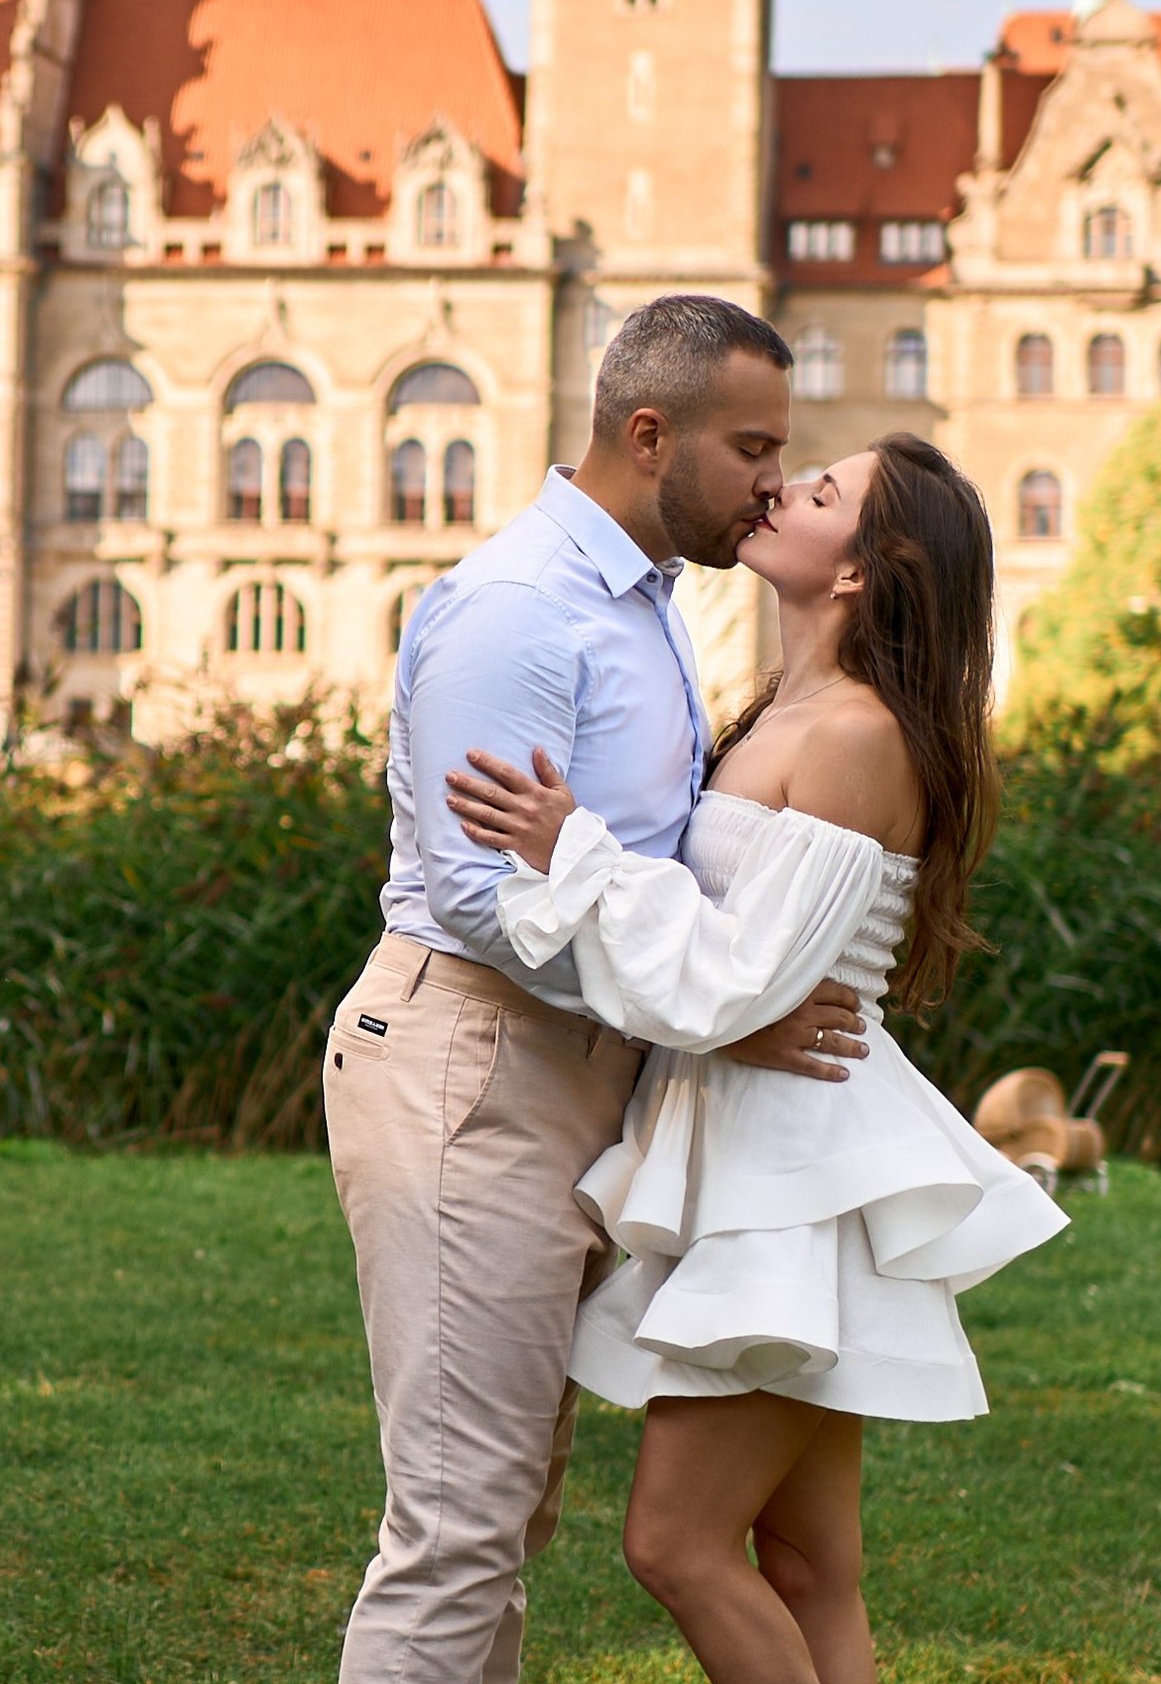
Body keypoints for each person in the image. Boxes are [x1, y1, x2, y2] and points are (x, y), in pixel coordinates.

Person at [448, 434, 1068, 1684]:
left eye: (824, 493)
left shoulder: (852, 735)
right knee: (804, 1566)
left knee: (676, 1544)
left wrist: (573, 850)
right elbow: (736, 977)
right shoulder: (784, 709)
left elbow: (740, 980)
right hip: (772, 1147)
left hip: (793, 1172)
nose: (785, 489)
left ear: (861, 572)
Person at [323, 295, 871, 1684]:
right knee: (456, 1529)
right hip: (474, 1063)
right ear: (648, 434)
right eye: (754, 446)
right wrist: (718, 1006)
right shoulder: (522, 611)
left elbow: (611, 865)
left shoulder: (640, 604)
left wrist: (715, 997)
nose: (769, 479)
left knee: (505, 1514)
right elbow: (480, 892)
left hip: (569, 1079)